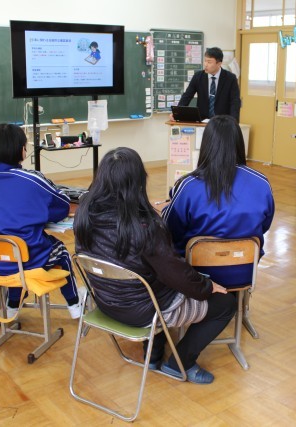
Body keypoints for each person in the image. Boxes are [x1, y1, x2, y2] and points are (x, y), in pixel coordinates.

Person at [74, 147, 236, 384]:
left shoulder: (84, 216)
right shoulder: (144, 227)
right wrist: (207, 286)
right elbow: (175, 274)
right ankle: (180, 363)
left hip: (107, 302)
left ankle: (153, 356)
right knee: (225, 304)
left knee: (150, 280)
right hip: (144, 312)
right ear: (139, 181)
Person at [0, 124, 82, 319]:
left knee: (15, 247)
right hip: (23, 259)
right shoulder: (32, 179)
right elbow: (62, 205)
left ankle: (12, 305)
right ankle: (75, 305)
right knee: (61, 252)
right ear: (21, 149)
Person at [162, 115, 275, 287]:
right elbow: (265, 224)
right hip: (245, 270)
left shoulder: (188, 185)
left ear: (207, 144)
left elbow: (169, 229)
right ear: (239, 143)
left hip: (198, 274)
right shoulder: (261, 182)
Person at [174, 47, 241, 121]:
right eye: (205, 61)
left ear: (219, 63)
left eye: (209, 62)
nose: (205, 64)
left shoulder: (230, 78)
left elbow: (235, 102)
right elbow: (187, 96)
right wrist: (177, 113)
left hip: (222, 121)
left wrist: (234, 122)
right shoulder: (198, 76)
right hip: (202, 120)